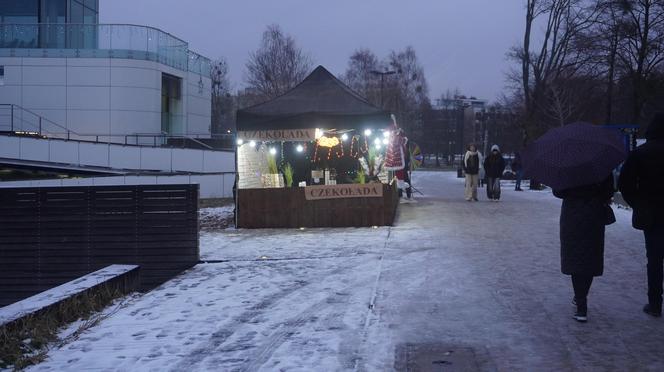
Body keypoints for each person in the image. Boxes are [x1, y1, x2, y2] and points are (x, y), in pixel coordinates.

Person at [618, 113, 664, 317]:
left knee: (654, 260)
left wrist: (638, 203)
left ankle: (655, 303)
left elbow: (625, 184)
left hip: (651, 213)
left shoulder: (640, 153)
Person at [553, 176, 614, 322]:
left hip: (572, 214)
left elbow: (558, 192)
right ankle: (582, 295)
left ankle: (581, 304)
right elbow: (608, 191)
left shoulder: (568, 168)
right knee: (590, 256)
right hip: (594, 214)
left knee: (575, 256)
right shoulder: (602, 167)